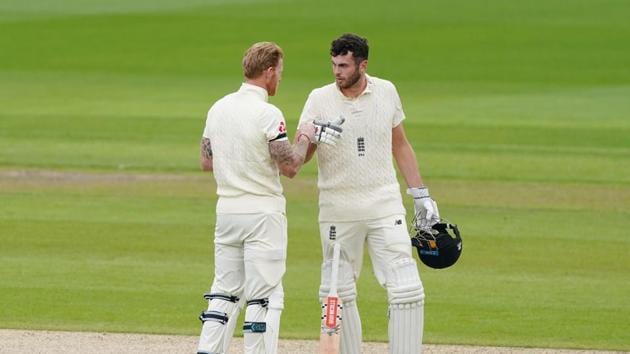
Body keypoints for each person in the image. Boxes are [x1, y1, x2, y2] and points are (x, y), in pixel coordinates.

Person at [297, 33, 440, 354]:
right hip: (337, 209)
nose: (337, 72)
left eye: (344, 65)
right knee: (338, 291)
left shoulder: (386, 91)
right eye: (334, 65)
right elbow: (300, 156)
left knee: (406, 290)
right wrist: (313, 137)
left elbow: (400, 143)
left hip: (384, 205)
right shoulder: (318, 98)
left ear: (363, 64)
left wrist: (420, 195)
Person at [197, 42, 342, 354]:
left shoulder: (218, 107)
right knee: (264, 296)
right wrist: (306, 137)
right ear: (268, 72)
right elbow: (290, 166)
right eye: (279, 73)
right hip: (262, 214)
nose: (280, 79)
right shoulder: (267, 113)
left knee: (224, 293)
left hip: (227, 212)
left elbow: (207, 162)